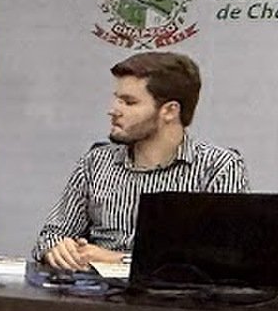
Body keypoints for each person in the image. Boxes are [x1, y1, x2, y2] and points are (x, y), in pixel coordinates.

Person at [34, 52, 248, 270]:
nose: (114, 111)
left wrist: (120, 260)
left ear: (169, 111)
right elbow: (51, 236)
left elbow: (226, 258)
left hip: (175, 291)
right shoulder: (96, 162)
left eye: (129, 102)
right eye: (117, 99)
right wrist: (58, 249)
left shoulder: (218, 167)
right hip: (95, 288)